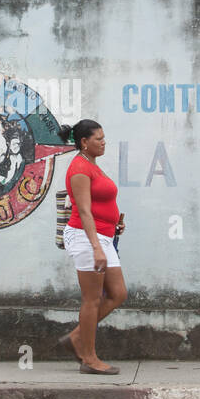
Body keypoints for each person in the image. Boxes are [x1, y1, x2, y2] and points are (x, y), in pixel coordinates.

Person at [56, 119, 127, 374]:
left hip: (103, 237)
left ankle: (77, 337)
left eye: (104, 137)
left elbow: (98, 206)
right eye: (99, 138)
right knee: (92, 300)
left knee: (118, 293)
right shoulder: (78, 169)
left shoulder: (91, 165)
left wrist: (112, 225)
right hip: (87, 239)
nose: (104, 142)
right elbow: (83, 211)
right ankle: (89, 358)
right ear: (84, 142)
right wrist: (96, 247)